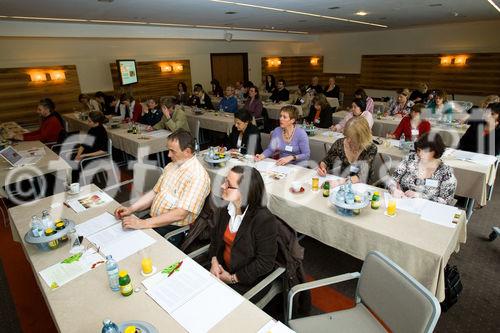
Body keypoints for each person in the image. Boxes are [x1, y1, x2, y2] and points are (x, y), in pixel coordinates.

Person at [114, 130, 210, 242]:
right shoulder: (171, 166)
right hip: (154, 220)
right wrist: (131, 209)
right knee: (121, 237)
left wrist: (142, 223)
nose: (168, 155)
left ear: (187, 152)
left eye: (172, 151)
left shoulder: (198, 177)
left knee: (131, 244)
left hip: (171, 228)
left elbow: (180, 214)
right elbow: (154, 192)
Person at [209, 165, 278, 294]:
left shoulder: (264, 220)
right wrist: (214, 261)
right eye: (225, 181)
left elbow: (265, 263)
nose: (223, 186)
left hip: (248, 281)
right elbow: (214, 238)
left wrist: (233, 278)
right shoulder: (225, 208)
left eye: (228, 184)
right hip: (221, 270)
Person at [389, 133, 457, 205]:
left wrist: (419, 196)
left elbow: (446, 201)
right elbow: (393, 179)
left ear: (436, 151)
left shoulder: (445, 172)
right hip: (401, 202)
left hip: (427, 209)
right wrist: (393, 189)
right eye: (418, 150)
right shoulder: (410, 159)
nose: (420, 154)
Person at [317, 117, 377, 186]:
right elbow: (326, 160)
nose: (348, 140)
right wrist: (322, 167)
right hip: (340, 184)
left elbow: (362, 176)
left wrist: (339, 182)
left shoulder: (371, 148)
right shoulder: (339, 143)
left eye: (352, 138)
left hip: (360, 187)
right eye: (347, 136)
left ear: (362, 138)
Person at [69, 110, 108, 183]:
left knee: (78, 164)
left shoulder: (102, 132)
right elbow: (84, 145)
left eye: (90, 121)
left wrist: (84, 155)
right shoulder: (92, 129)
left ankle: (76, 184)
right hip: (88, 154)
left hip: (96, 156)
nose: (88, 122)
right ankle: (73, 183)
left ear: (96, 122)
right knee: (72, 158)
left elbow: (103, 151)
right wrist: (78, 154)